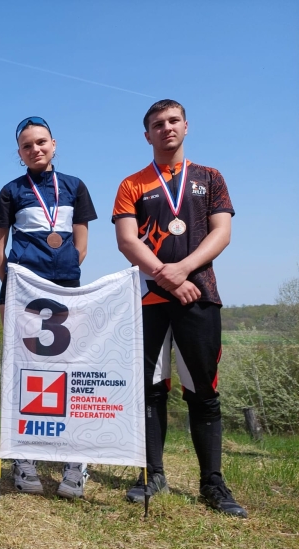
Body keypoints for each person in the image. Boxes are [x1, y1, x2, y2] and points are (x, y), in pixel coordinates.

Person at [112, 99, 246, 517]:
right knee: (150, 390)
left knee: (202, 391)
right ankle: (152, 474)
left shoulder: (211, 177)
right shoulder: (131, 184)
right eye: (158, 123)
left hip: (198, 295)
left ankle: (212, 483)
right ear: (147, 134)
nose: (166, 128)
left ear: (186, 126)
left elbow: (222, 233)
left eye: (173, 121)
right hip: (148, 300)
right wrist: (164, 275)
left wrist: (183, 270)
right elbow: (126, 240)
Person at [0, 116, 98, 499]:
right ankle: (25, 457)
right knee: (25, 371)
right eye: (26, 146)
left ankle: (74, 460)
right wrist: (17, 286)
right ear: (19, 153)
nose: (35, 149)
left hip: (66, 290)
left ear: (53, 144)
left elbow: (81, 245)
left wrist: (62, 275)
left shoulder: (75, 186)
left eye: (41, 142)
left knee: (68, 371)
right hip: (22, 293)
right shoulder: (11, 191)